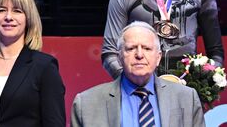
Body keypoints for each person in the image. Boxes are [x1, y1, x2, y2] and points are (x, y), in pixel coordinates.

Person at [73, 21, 205, 127]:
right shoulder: (86, 104)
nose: (139, 55)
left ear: (158, 57)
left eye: (147, 48)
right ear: (119, 57)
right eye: (131, 48)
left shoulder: (187, 98)